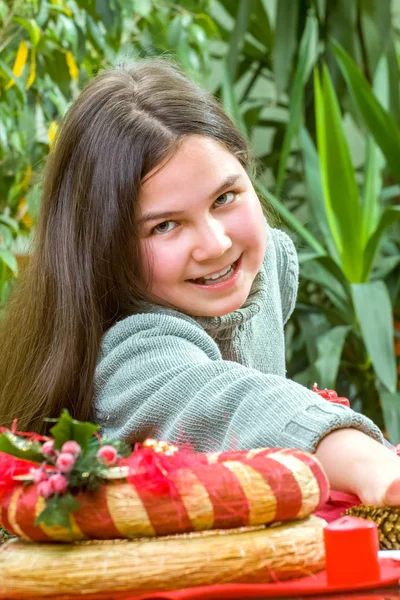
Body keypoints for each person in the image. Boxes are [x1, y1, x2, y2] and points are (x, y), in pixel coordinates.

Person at [0, 59, 399, 509]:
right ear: (104, 248)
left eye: (225, 198)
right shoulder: (128, 354)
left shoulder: (266, 267)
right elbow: (220, 401)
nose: (216, 244)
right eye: (165, 226)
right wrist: (367, 461)